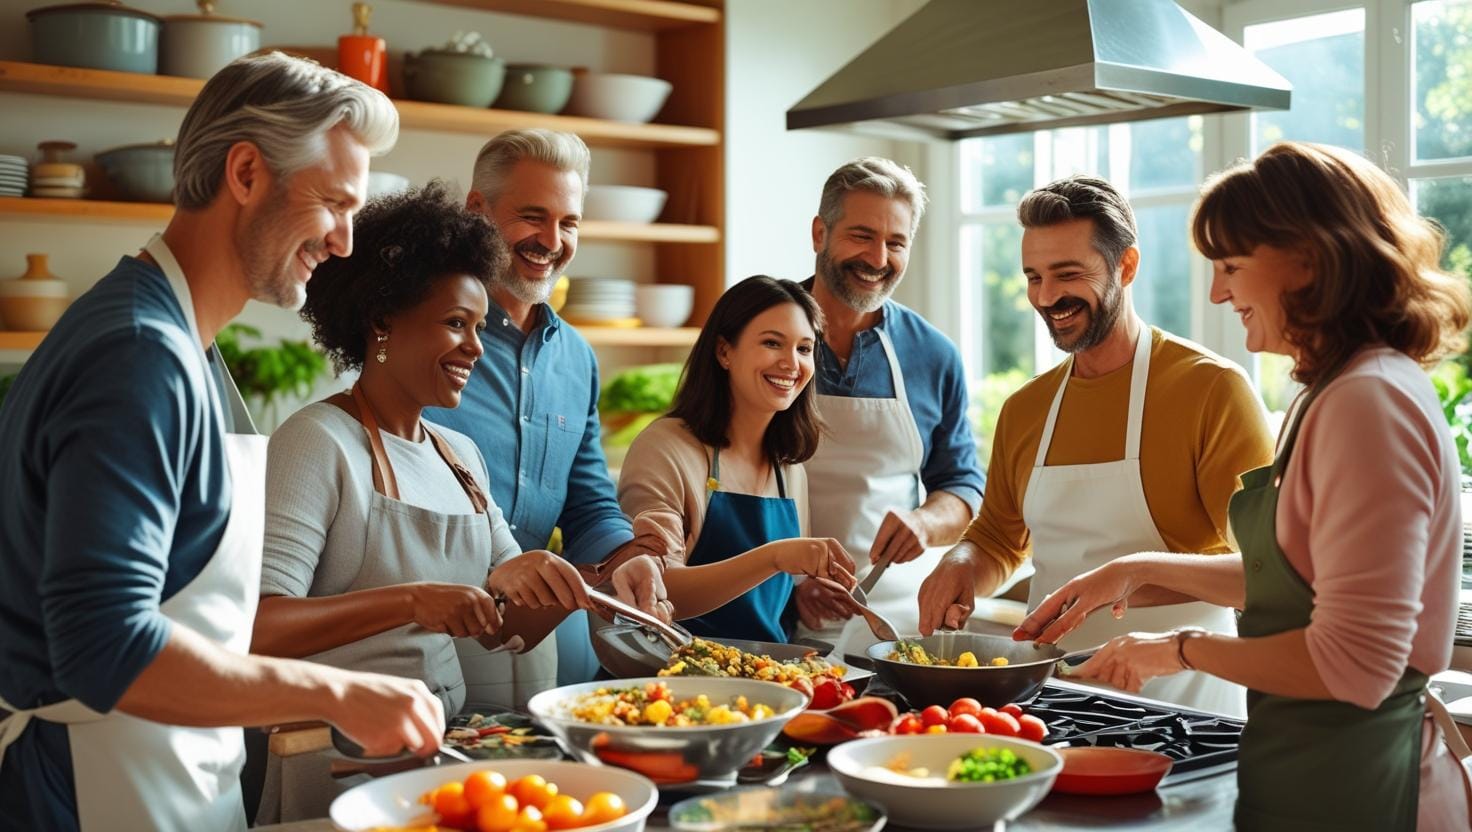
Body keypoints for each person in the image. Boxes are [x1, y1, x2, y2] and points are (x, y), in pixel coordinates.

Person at [0, 53, 445, 832]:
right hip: (93, 784)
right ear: (245, 173)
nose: (344, 243)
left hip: (162, 767)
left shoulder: (182, 342)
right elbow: (106, 646)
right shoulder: (137, 355)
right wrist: (336, 693)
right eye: (335, 203)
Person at [1015, 141, 1472, 830]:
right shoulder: (1334, 393)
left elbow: (1355, 664)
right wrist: (1135, 570)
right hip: (1308, 775)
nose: (1217, 292)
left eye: (1231, 266)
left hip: (1362, 788)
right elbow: (1298, 580)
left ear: (1309, 260)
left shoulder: (1368, 402)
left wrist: (1177, 648)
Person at [250, 183, 618, 821]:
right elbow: (257, 629)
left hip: (438, 752)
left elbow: (502, 626)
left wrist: (575, 588)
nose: (476, 347)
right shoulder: (318, 442)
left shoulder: (459, 455)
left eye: (478, 326)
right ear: (382, 321)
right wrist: (412, 601)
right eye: (455, 323)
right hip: (336, 756)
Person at [917, 174, 1273, 717]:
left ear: (1126, 266)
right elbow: (998, 536)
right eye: (1033, 277)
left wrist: (1131, 574)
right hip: (1054, 701)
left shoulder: (1211, 390)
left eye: (1067, 275)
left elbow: (1263, 571)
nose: (1045, 297)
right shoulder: (1026, 408)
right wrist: (963, 561)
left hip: (1185, 705)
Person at [425, 129, 667, 688]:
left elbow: (587, 506)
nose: (552, 240)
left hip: (529, 638)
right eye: (533, 216)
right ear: (477, 211)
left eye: (569, 222)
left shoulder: (576, 358)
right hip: (425, 629)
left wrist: (628, 556)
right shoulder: (425, 337)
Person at [793, 157, 986, 657]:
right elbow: (715, 479)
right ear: (820, 233)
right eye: (861, 236)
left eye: (896, 242)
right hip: (770, 618)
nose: (878, 258)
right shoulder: (758, 330)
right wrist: (783, 580)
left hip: (895, 623)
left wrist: (924, 522)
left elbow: (963, 488)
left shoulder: (933, 354)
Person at [618, 276, 859, 642]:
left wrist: (800, 593)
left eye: (805, 349)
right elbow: (656, 588)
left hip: (765, 682)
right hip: (669, 680)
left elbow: (762, 599)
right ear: (724, 352)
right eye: (772, 343)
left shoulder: (789, 466)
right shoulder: (665, 447)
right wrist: (774, 557)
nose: (791, 363)